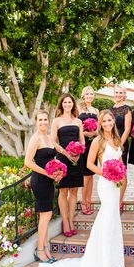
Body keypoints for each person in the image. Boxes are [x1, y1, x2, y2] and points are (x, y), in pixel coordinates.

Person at [38, 109, 125, 267]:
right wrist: (107, 173)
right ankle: (101, 261)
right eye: (105, 121)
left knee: (114, 220)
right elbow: (89, 164)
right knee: (106, 219)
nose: (108, 123)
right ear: (100, 124)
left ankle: (113, 259)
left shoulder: (116, 140)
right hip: (106, 184)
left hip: (116, 185)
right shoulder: (98, 141)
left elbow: (120, 162)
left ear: (113, 122)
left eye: (110, 121)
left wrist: (121, 174)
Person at [25, 110, 62, 263]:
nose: (43, 122)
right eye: (40, 120)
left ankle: (45, 247)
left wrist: (60, 169)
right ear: (36, 122)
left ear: (48, 120)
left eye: (45, 119)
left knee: (46, 217)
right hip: (40, 180)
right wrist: (48, 174)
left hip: (48, 181)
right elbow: (28, 162)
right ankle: (40, 251)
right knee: (45, 216)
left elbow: (59, 152)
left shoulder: (48, 137)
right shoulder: (35, 138)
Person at [51, 93, 85, 237]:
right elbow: (53, 141)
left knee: (74, 191)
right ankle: (65, 221)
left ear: (73, 104)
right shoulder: (56, 121)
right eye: (65, 102)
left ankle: (71, 220)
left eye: (69, 102)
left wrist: (78, 153)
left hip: (77, 159)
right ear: (61, 104)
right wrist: (66, 153)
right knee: (63, 191)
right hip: (63, 159)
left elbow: (82, 141)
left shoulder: (78, 121)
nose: (67, 105)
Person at [110, 84, 132, 211]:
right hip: (110, 144)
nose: (118, 95)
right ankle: (113, 198)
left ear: (124, 95)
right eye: (116, 92)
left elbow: (127, 128)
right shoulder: (110, 109)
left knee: (121, 171)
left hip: (121, 145)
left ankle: (120, 200)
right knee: (112, 171)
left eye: (120, 93)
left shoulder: (127, 109)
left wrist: (119, 144)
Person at [78, 86, 99, 215]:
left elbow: (100, 128)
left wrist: (94, 132)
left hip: (94, 144)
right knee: (85, 175)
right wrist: (85, 134)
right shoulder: (79, 109)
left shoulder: (96, 110)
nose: (89, 96)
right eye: (87, 94)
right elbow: (76, 125)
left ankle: (89, 200)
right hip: (84, 143)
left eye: (91, 94)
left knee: (91, 175)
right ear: (83, 96)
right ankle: (83, 201)